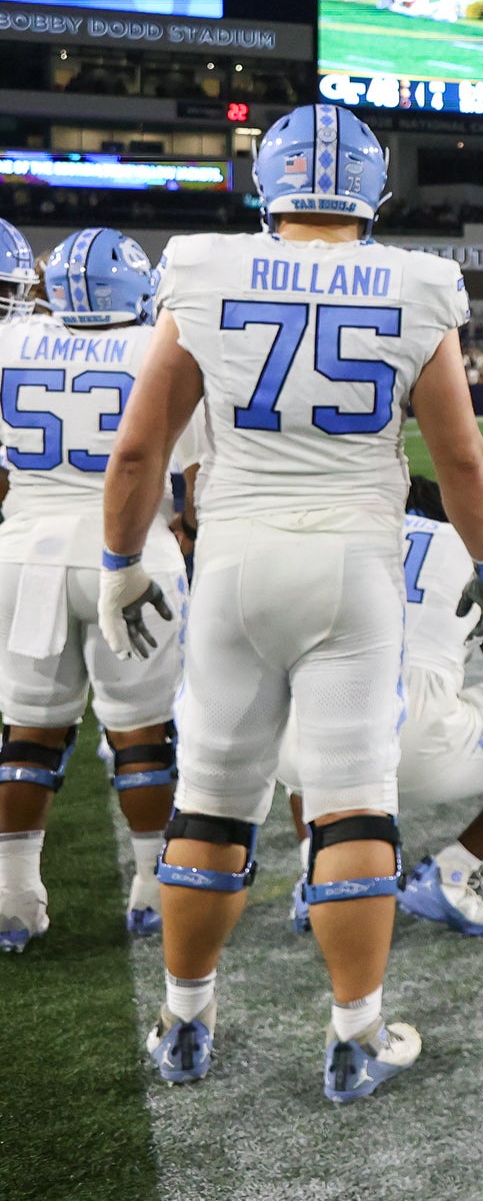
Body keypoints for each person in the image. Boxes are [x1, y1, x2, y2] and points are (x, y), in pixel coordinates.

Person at [99, 103, 483, 1103]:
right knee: (350, 804)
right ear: (374, 190)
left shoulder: (202, 266)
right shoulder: (416, 281)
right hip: (351, 571)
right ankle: (355, 1036)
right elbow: (457, 455)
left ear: (266, 180)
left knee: (215, 799)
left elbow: (144, 447)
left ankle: (186, 1021)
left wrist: (121, 562)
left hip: (235, 563)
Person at [280, 475, 483, 936]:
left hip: (295, 754)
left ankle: (319, 875)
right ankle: (451, 875)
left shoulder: (327, 539)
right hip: (413, 750)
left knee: (316, 703)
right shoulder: (471, 547)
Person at [0, 226, 189, 949]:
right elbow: (192, 480)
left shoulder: (12, 341)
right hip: (132, 553)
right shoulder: (161, 346)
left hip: (28, 552)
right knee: (141, 735)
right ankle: (152, 889)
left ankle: (13, 898)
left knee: (30, 733)